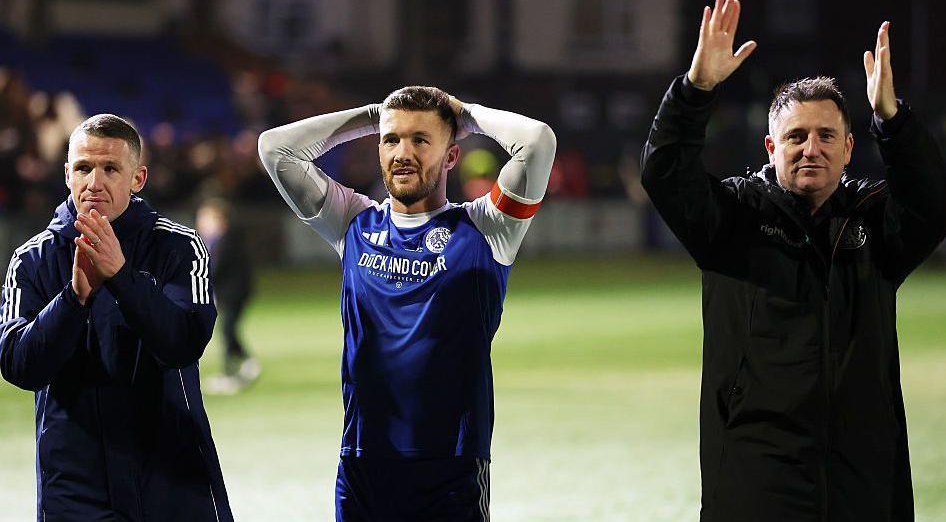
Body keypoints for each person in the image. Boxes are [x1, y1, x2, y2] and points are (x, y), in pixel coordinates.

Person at [641, 0, 946, 521]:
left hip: (862, 470)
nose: (811, 147)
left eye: (826, 135)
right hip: (758, 474)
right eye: (796, 136)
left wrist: (893, 120)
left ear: (849, 147)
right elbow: (665, 173)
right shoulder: (733, 217)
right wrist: (696, 90)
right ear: (771, 147)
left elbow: (934, 207)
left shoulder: (874, 219)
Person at [259, 86, 555, 521]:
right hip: (363, 459)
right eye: (391, 139)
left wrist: (464, 113)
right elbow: (275, 149)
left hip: (450, 466)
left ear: (451, 156)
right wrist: (373, 114)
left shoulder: (487, 228)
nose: (402, 152)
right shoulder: (354, 223)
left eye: (421, 140)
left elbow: (538, 141)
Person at [0, 114, 233, 521]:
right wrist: (73, 299)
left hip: (172, 477)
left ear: (137, 178)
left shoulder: (179, 248)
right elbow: (20, 366)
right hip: (75, 487)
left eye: (111, 169)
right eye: (84, 168)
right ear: (67, 175)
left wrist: (122, 277)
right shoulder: (32, 260)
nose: (95, 183)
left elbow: (183, 344)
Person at [196, 197, 260, 394]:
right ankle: (244, 365)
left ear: (219, 219)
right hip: (229, 294)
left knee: (227, 330)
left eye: (206, 218)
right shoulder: (217, 240)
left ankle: (233, 372)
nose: (201, 222)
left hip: (233, 294)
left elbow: (213, 269)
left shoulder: (225, 240)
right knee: (227, 331)